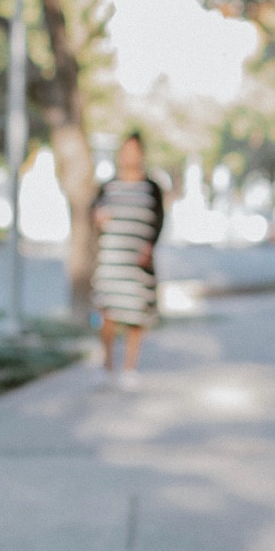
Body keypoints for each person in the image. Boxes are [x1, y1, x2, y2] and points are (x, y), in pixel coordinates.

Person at [91, 133, 164, 388]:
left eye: (135, 151)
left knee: (135, 316)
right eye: (126, 150)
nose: (130, 156)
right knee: (107, 314)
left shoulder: (152, 187)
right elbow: (95, 214)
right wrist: (98, 219)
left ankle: (129, 368)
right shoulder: (108, 186)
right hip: (112, 259)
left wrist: (149, 246)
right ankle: (107, 365)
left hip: (137, 261)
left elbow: (159, 221)